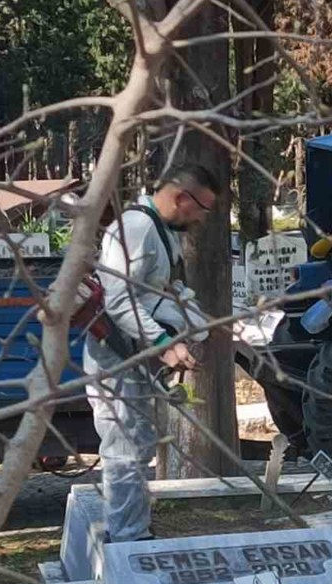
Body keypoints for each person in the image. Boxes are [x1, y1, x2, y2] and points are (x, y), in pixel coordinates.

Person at [87, 163, 220, 542]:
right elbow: (118, 298)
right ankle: (127, 537)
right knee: (124, 444)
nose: (201, 218)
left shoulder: (161, 231)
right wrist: (163, 343)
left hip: (133, 353)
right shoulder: (137, 228)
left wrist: (196, 323)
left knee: (138, 440)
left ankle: (132, 526)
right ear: (181, 198)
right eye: (202, 209)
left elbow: (155, 291)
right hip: (114, 353)